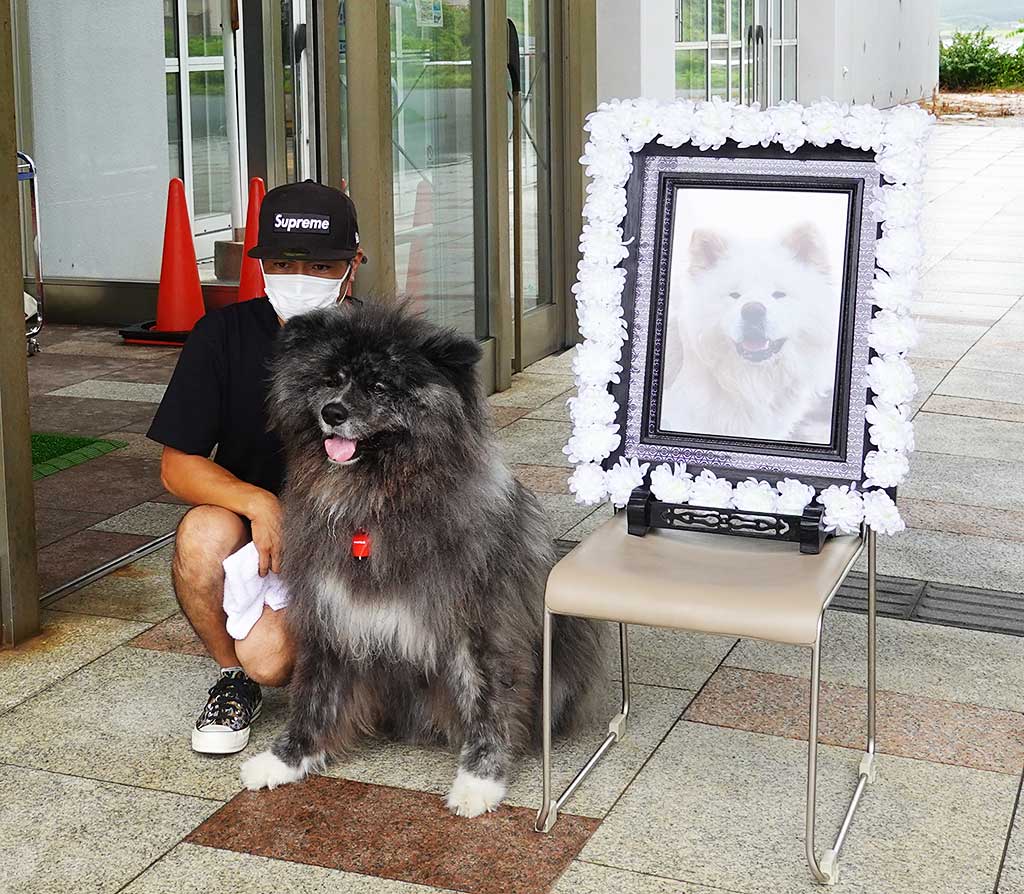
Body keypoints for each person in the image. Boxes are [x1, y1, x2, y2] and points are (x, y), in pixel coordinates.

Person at [147, 180, 364, 755]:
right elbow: (177, 466)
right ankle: (231, 677)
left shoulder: (383, 344)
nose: (300, 278)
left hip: (352, 538)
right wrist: (259, 504)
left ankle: (372, 672)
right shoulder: (223, 334)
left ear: (353, 265)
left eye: (320, 266)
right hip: (260, 539)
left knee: (283, 657)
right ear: (261, 264)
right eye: (284, 263)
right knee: (203, 535)